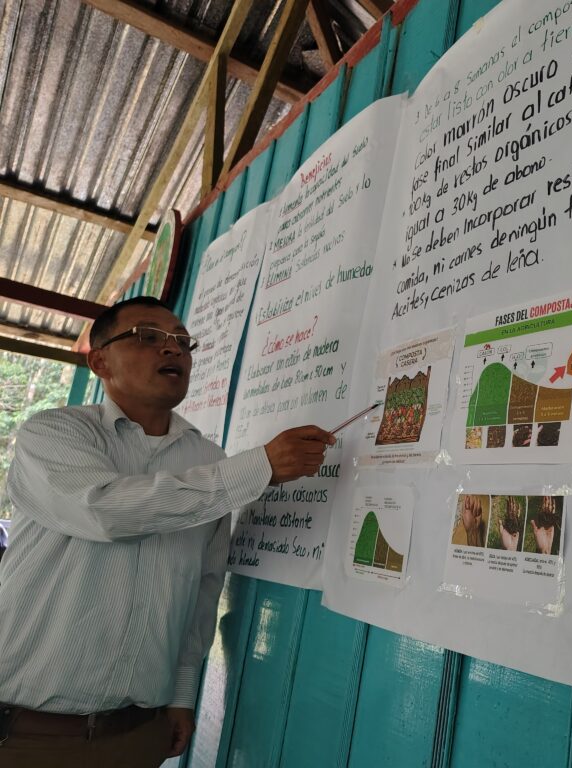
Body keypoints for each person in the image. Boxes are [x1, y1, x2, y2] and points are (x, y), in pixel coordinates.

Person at [0, 296, 335, 767]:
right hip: (24, 734)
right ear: (100, 362)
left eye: (182, 340)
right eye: (148, 337)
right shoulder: (54, 434)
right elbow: (105, 511)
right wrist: (257, 468)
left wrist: (180, 694)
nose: (172, 348)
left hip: (138, 733)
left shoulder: (209, 461)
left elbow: (203, 588)